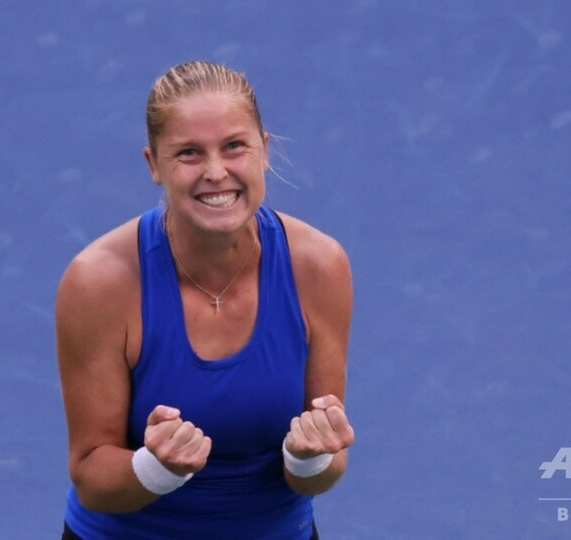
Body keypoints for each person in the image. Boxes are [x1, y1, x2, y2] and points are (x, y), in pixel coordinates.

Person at [56, 60, 355, 539]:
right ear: (154, 165)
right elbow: (91, 477)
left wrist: (309, 457)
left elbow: (325, 465)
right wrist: (157, 468)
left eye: (234, 146)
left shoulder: (319, 266)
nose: (216, 172)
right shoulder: (99, 282)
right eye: (189, 153)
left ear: (264, 150)